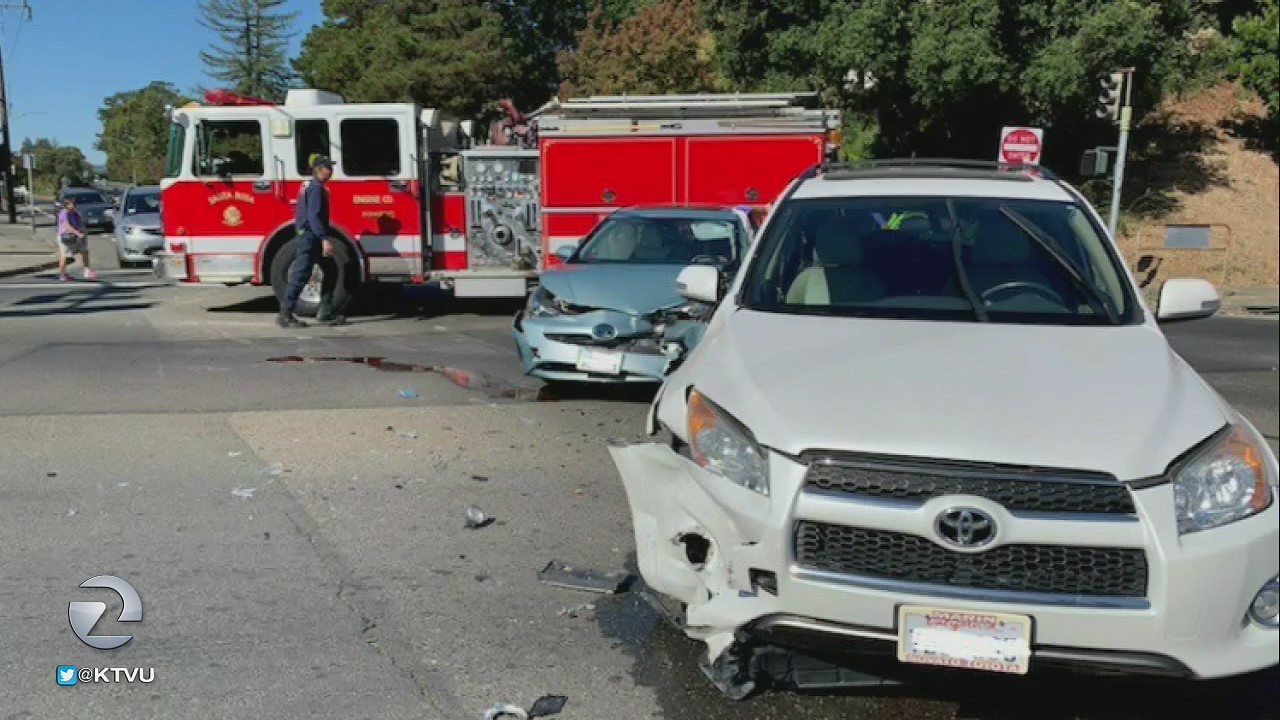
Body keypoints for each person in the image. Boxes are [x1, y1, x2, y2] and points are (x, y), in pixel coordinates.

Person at [278, 155, 339, 328]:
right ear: (319, 169)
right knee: (300, 275)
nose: (331, 171)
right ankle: (285, 314)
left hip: (311, 236)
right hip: (310, 238)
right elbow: (313, 216)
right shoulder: (316, 188)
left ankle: (325, 311)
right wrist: (324, 239)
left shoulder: (313, 187)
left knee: (331, 270)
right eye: (328, 167)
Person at [57, 198, 96, 281]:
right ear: (67, 205)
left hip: (75, 237)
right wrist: (78, 233)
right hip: (65, 237)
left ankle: (87, 270)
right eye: (72, 204)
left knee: (84, 251)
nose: (74, 205)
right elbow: (66, 226)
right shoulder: (63, 213)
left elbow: (80, 224)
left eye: (74, 204)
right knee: (64, 256)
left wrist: (83, 232)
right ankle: (62, 274)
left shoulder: (75, 213)